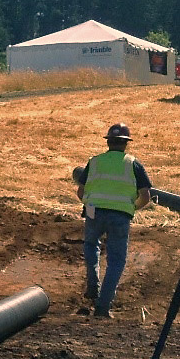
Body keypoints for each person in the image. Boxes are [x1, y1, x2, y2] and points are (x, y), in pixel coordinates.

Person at [72, 123, 152, 318]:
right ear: (126, 144)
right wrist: (131, 208)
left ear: (108, 141)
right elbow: (146, 196)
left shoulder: (95, 161)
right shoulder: (133, 164)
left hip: (94, 212)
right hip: (120, 216)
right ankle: (103, 307)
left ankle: (93, 286)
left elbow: (80, 191)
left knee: (91, 245)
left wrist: (90, 203)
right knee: (116, 261)